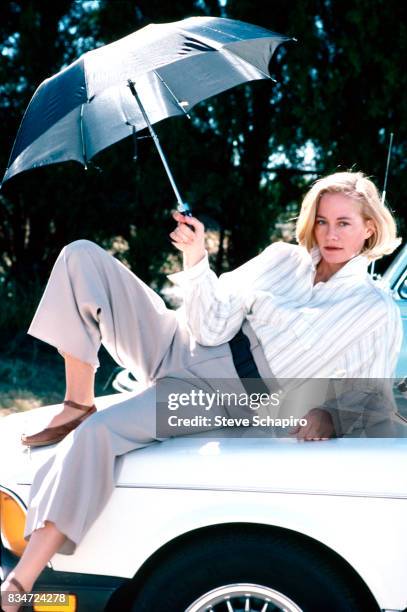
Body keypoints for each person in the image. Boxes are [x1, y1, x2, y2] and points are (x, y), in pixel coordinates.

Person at [0, 171, 402, 610]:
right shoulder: (281, 259)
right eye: (322, 221)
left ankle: (22, 583)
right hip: (187, 341)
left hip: (226, 394)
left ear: (370, 228)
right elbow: (210, 322)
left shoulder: (373, 307)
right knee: (81, 257)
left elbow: (370, 396)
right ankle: (77, 400)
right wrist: (197, 257)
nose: (330, 233)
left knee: (99, 432)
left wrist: (328, 415)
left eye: (344, 222)